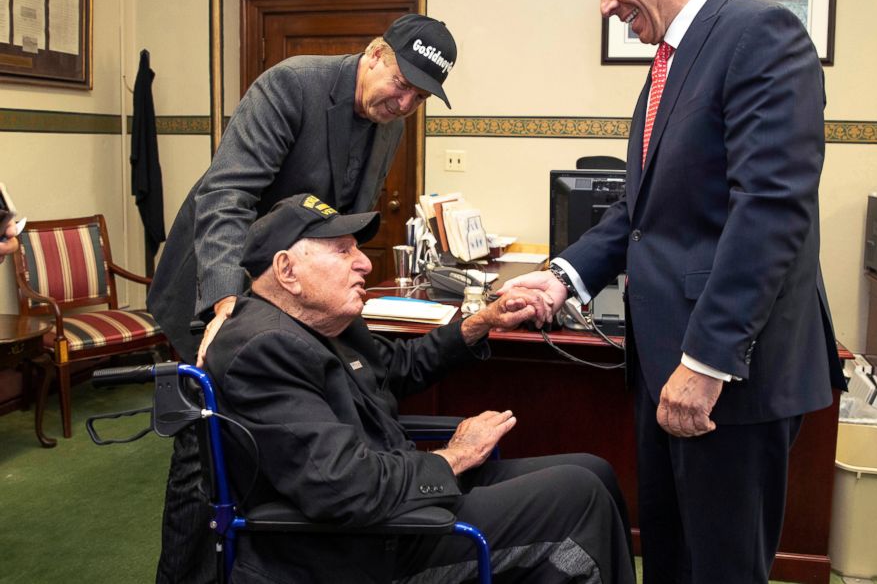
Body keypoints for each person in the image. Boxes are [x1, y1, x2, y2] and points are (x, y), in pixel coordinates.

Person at [505, 0, 845, 584]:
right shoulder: (670, 59)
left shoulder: (759, 34)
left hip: (727, 372)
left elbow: (771, 212)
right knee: (670, 553)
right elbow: (642, 210)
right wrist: (564, 275)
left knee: (720, 566)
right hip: (666, 362)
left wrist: (708, 362)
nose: (604, 5)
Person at [148, 13, 459, 584]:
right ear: (373, 54)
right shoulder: (291, 84)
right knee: (205, 457)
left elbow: (342, 214)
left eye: (421, 94)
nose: (406, 101)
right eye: (402, 83)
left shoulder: (388, 116)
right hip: (215, 283)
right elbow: (227, 195)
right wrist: (224, 303)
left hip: (289, 288)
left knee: (279, 444)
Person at [204, 193, 636, 583]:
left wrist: (483, 321)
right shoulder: (264, 350)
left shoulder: (326, 322)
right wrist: (455, 456)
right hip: (363, 545)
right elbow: (342, 487)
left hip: (395, 499)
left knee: (593, 469)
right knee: (578, 499)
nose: (365, 263)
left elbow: (397, 367)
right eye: (343, 252)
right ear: (286, 270)